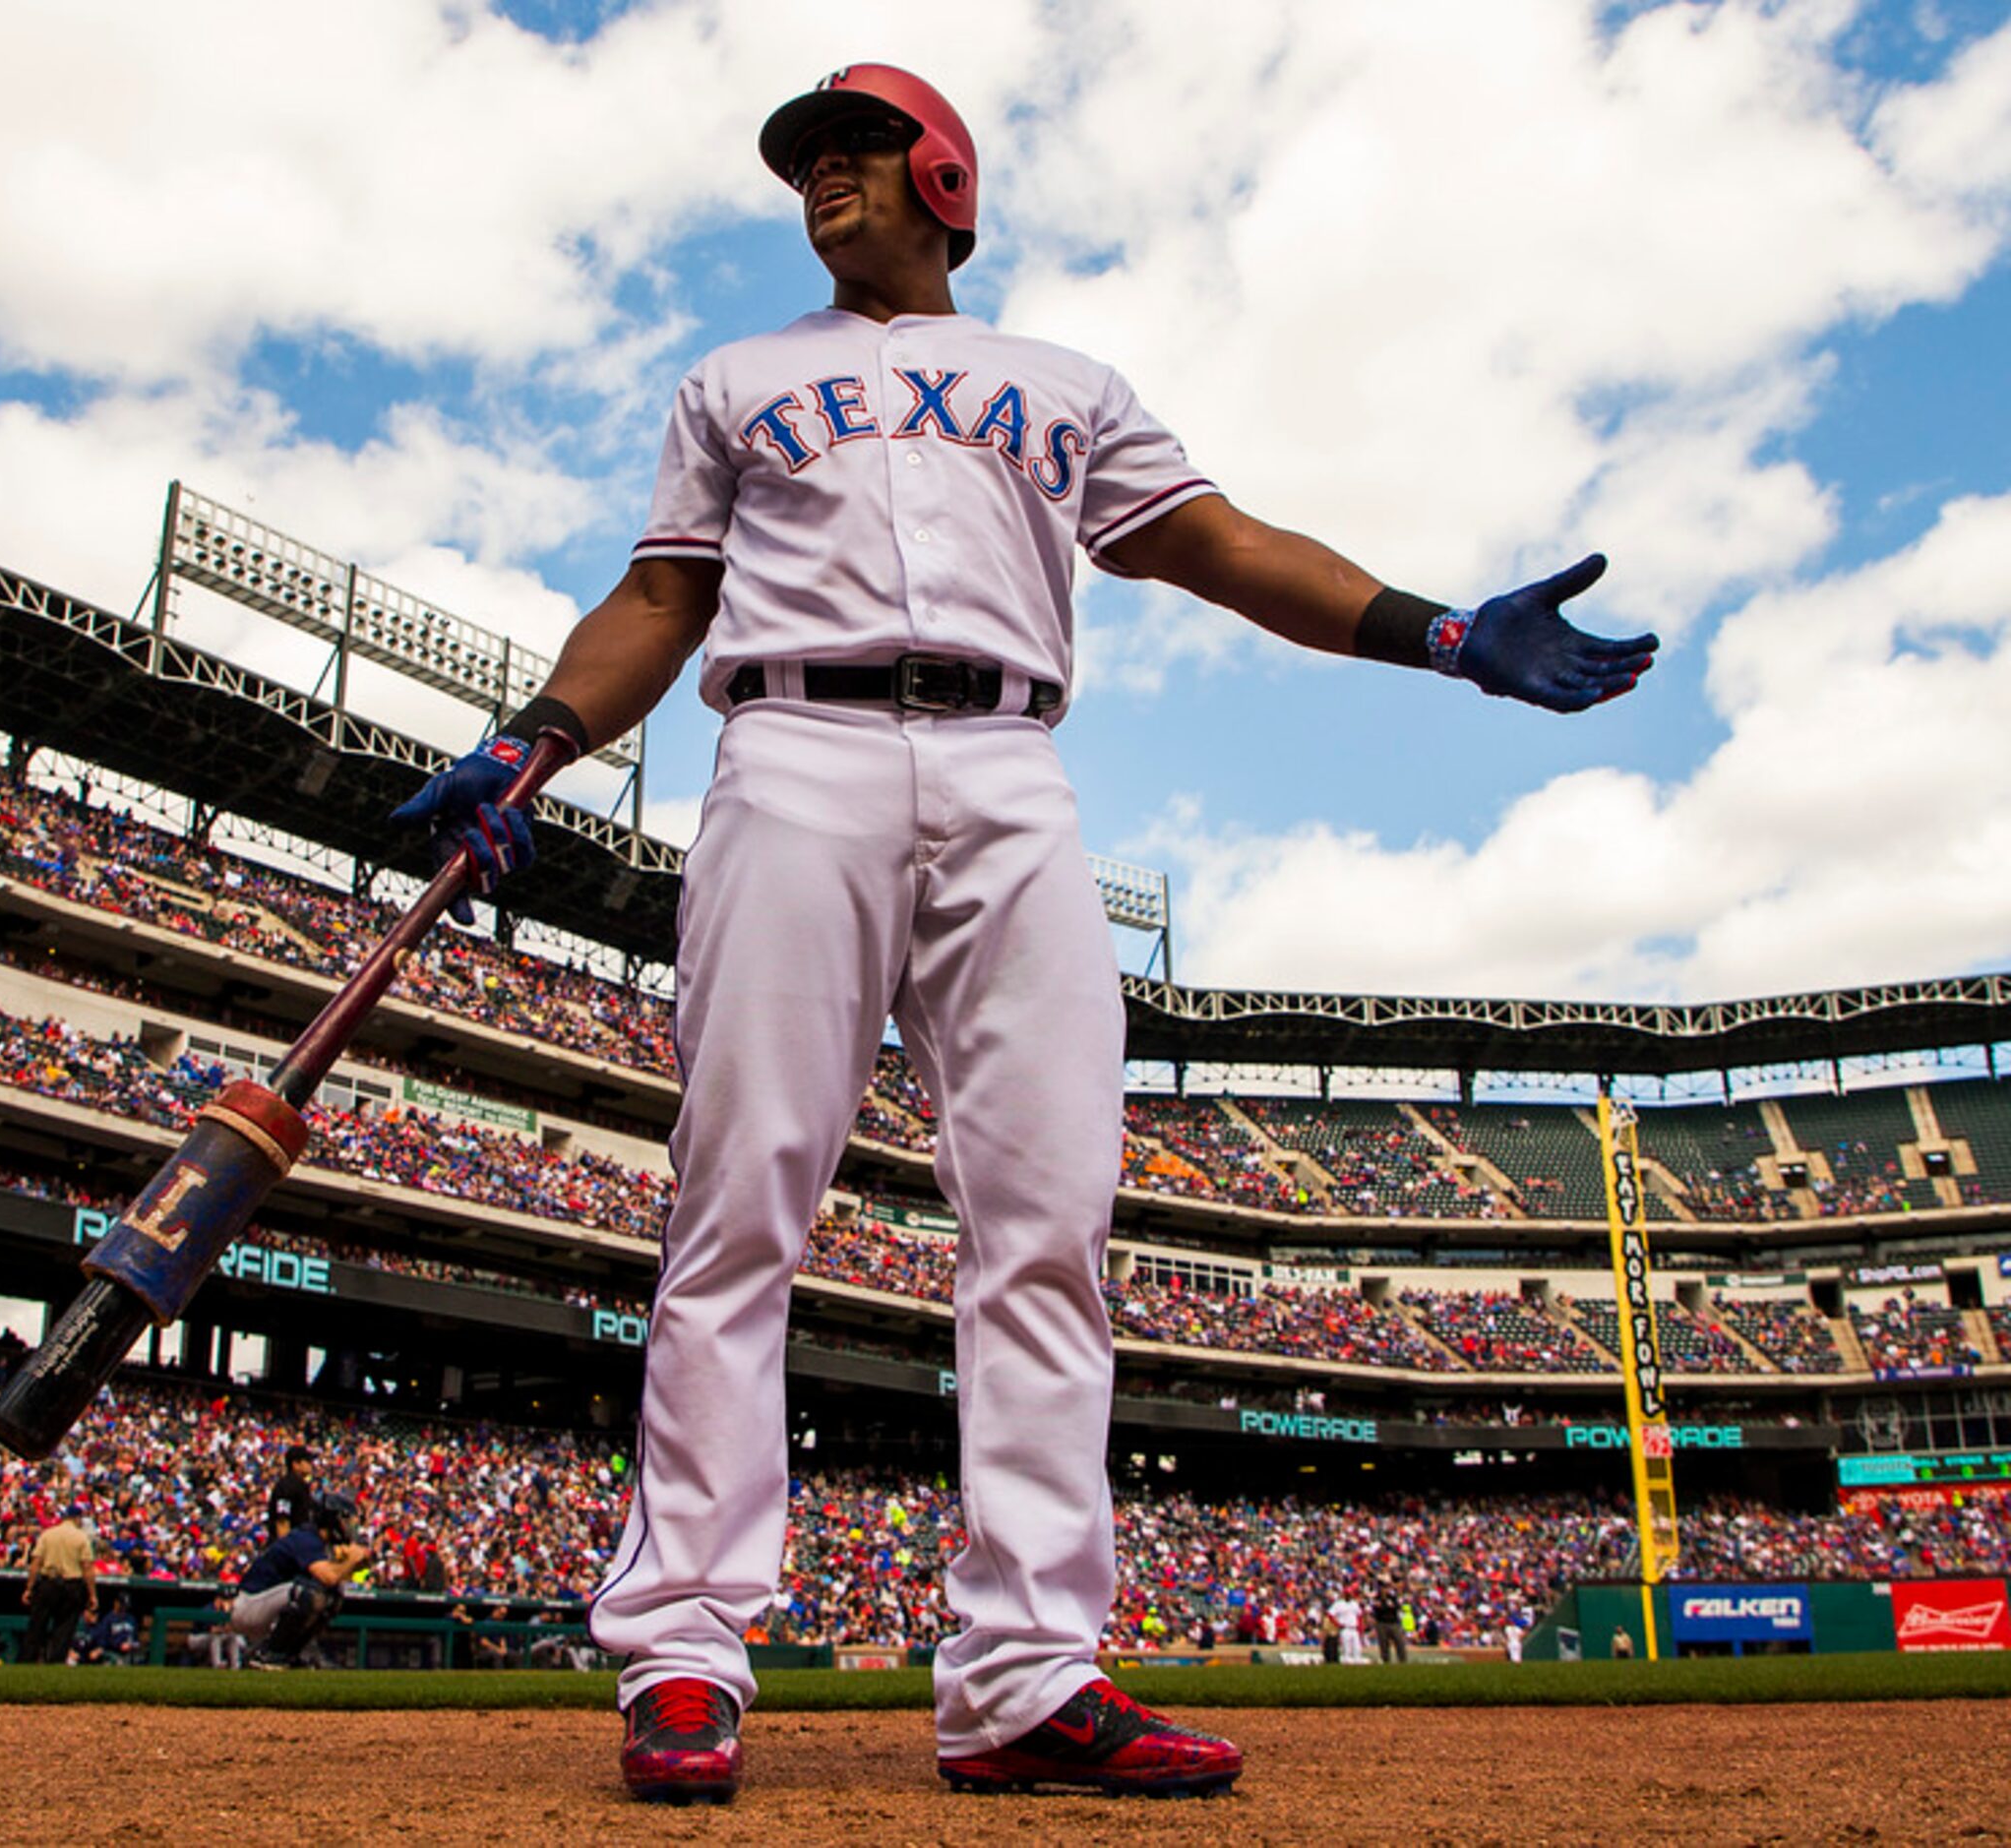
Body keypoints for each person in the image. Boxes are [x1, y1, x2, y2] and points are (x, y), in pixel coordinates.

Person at [392, 63, 1651, 1807]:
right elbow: (663, 594)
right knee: (738, 1195)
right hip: (792, 748)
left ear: (944, 175)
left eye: (853, 149)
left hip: (1007, 766)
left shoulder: (1064, 384)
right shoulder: (734, 377)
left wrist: (1433, 633)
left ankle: (1027, 1670)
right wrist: (538, 731)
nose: (822, 176)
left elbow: (1216, 542)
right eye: (804, 162)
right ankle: (683, 1647)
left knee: (1049, 1221)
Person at [223, 1492, 370, 1670]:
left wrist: (358, 1562)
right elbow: (328, 1577)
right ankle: (268, 1654)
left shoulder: (323, 1542)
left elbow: (339, 1577)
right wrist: (352, 1560)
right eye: (346, 1521)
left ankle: (289, 1654)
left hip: (267, 1605)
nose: (349, 1527)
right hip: (249, 1605)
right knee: (309, 1593)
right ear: (332, 1519)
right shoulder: (306, 1538)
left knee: (333, 1595)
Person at [22, 1504, 94, 1665]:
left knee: (37, 1625)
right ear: (77, 1518)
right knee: (64, 1628)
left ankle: (28, 1660)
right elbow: (87, 1568)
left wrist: (29, 1588)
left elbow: (35, 1563)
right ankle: (55, 1661)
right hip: (72, 1585)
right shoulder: (81, 1537)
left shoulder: (48, 1534)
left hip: (48, 1582)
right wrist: (92, 1594)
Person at [269, 1444, 319, 1541]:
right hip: (289, 1546)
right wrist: (287, 1550)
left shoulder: (302, 1485)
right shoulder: (286, 1486)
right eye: (307, 1461)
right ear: (295, 1464)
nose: (311, 1464)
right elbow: (282, 1522)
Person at [1372, 1586, 1409, 1664]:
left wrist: (1388, 1606)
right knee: (1384, 1643)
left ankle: (1403, 1660)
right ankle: (1386, 1660)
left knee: (1399, 1641)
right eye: (1383, 1588)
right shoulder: (1377, 1598)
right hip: (1382, 1623)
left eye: (1386, 1588)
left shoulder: (1392, 1597)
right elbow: (1377, 1609)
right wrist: (1386, 1606)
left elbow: (1397, 1607)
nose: (1384, 1590)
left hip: (1393, 1623)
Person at [1331, 1590, 1368, 1667]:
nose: (1349, 1596)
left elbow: (1359, 1615)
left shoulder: (1354, 1604)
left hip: (1354, 1628)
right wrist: (1337, 1624)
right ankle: (1347, 1663)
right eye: (1347, 1594)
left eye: (1350, 1594)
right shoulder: (1338, 1604)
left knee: (1357, 1648)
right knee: (1347, 1649)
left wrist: (1361, 1628)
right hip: (1345, 1628)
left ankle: (1357, 1662)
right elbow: (1330, 1614)